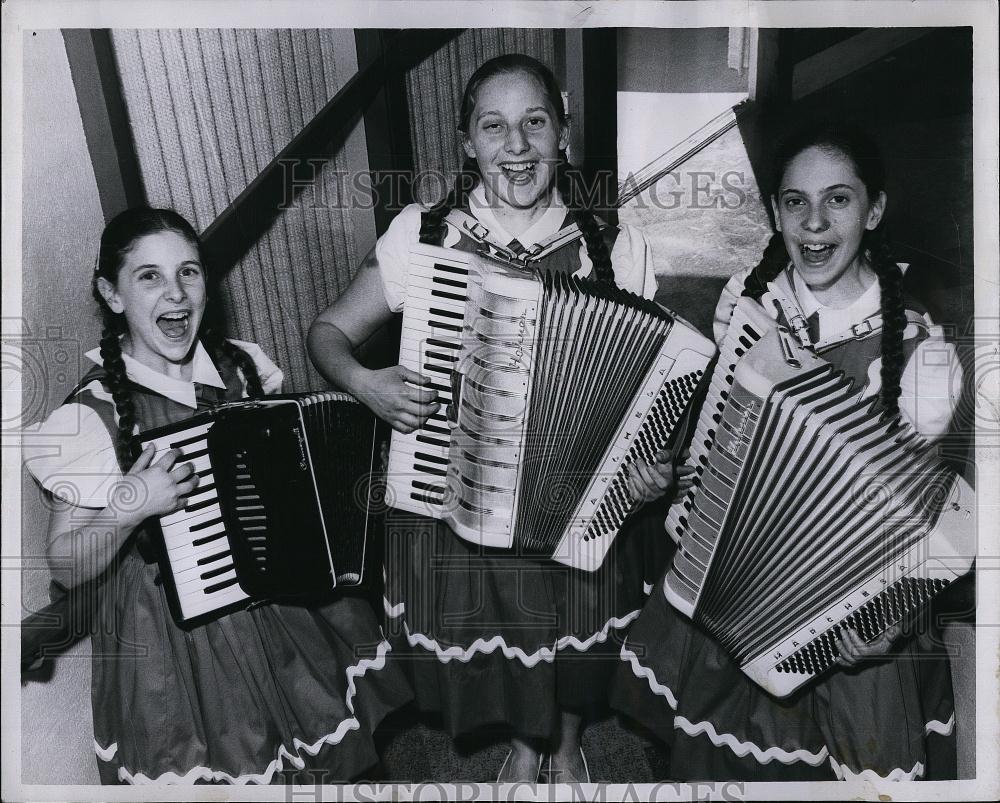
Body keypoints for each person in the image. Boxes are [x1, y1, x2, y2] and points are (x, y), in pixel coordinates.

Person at [308, 54, 676, 782]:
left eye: (535, 122)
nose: (517, 145)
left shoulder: (612, 241)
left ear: (563, 133)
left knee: (570, 624)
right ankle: (526, 741)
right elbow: (328, 333)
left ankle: (566, 744)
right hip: (458, 483)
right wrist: (366, 384)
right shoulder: (425, 234)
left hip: (573, 491)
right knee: (504, 627)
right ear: (467, 143)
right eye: (494, 126)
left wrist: (649, 458)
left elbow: (654, 381)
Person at [612, 122, 964, 782]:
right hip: (737, 569)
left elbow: (928, 525)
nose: (814, 222)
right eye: (795, 202)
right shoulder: (748, 297)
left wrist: (890, 622)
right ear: (775, 211)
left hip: (842, 609)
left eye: (838, 199)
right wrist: (672, 478)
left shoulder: (922, 350)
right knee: (711, 757)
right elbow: (719, 435)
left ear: (875, 209)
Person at [22, 208, 412, 784]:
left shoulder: (242, 364)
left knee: (321, 755)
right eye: (149, 276)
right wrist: (132, 504)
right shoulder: (87, 420)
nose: (175, 294)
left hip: (284, 600)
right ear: (111, 293)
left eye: (189, 272)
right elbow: (66, 562)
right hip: (174, 640)